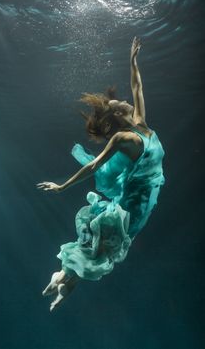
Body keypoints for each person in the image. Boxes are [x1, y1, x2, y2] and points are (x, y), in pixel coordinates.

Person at [37, 37, 165, 312]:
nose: (127, 100)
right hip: (136, 201)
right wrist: (62, 186)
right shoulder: (123, 137)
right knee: (103, 245)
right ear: (119, 114)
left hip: (147, 197)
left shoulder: (141, 123)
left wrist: (132, 61)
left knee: (104, 246)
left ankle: (62, 279)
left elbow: (137, 86)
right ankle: (63, 280)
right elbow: (93, 166)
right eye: (121, 103)